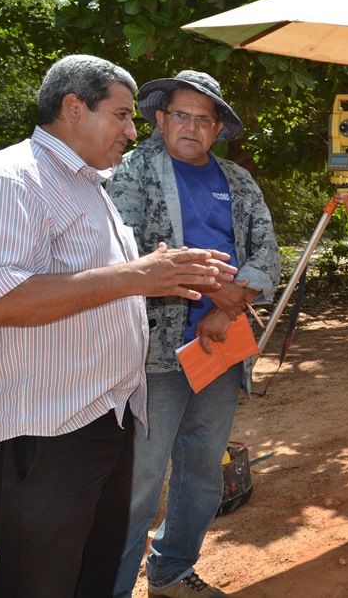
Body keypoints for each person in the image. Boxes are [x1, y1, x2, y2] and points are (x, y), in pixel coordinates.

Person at [0, 55, 236, 597]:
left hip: (104, 415)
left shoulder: (87, 184)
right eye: (124, 115)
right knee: (41, 580)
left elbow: (99, 278)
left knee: (91, 572)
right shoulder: (9, 178)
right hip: (43, 425)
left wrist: (153, 270)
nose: (133, 131)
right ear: (73, 108)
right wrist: (136, 276)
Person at [107, 71, 281, 598]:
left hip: (219, 349)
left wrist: (229, 307)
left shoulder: (237, 180)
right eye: (181, 114)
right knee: (138, 482)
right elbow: (118, 260)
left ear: (217, 127)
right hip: (150, 354)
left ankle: (172, 569)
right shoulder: (128, 173)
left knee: (203, 471)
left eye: (204, 119)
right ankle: (111, 585)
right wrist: (212, 285)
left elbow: (267, 254)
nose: (191, 127)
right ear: (159, 119)